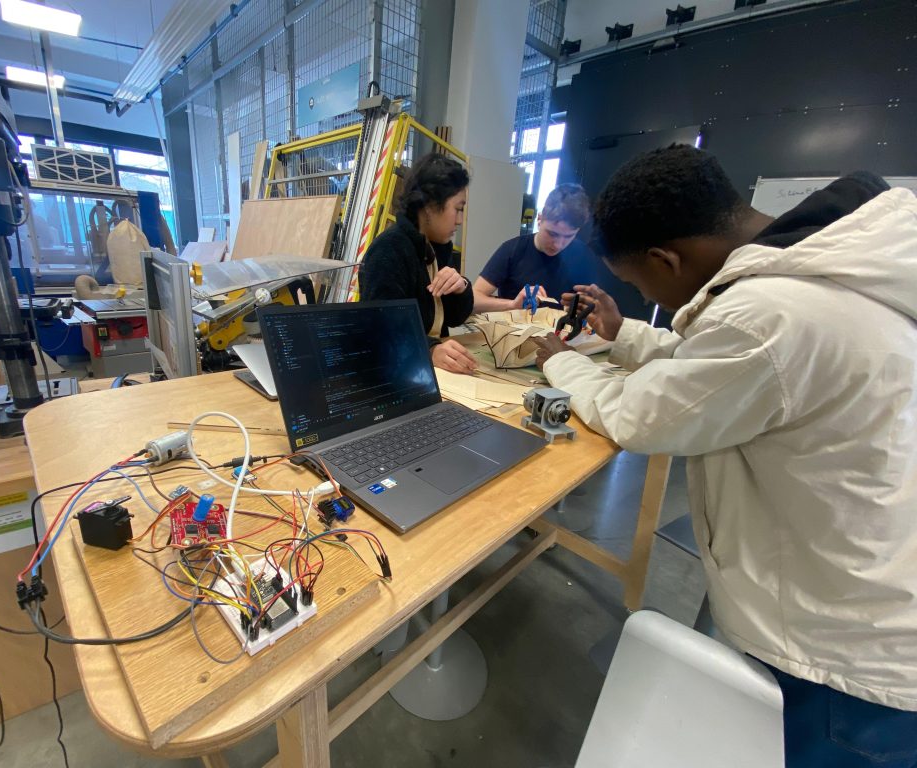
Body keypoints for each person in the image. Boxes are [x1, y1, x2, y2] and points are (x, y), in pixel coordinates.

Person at [533, 145, 917, 767]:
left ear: (666, 259)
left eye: (639, 285)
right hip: (872, 603)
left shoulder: (768, 315)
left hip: (844, 659)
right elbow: (716, 366)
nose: (645, 295)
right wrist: (625, 332)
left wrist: (561, 363)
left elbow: (642, 414)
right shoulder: (827, 270)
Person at [359, 153, 477, 374]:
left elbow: (453, 318)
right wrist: (430, 350)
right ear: (430, 207)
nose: (460, 220)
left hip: (425, 367)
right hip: (398, 370)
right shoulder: (388, 250)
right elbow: (382, 329)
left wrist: (461, 288)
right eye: (458, 209)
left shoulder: (437, 246)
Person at [472, 183, 594, 312]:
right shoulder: (513, 250)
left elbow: (587, 305)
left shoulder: (582, 255)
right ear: (540, 219)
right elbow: (474, 300)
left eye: (568, 236)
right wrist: (512, 304)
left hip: (560, 325)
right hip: (514, 324)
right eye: (552, 234)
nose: (558, 244)